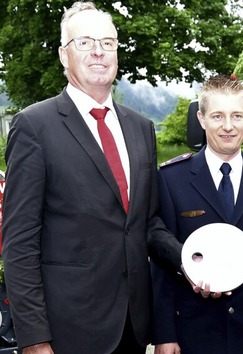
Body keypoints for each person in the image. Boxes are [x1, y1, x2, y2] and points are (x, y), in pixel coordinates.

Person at [1, 2, 184, 353]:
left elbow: (146, 225)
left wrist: (192, 260)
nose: (98, 52)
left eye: (108, 42)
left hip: (132, 329)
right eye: (84, 42)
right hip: (67, 331)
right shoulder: (34, 127)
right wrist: (35, 339)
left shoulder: (141, 128)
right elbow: (20, 245)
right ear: (63, 55)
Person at [150, 74, 243, 354]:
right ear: (201, 119)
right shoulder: (171, 179)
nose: (228, 126)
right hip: (193, 335)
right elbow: (161, 262)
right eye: (217, 116)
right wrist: (165, 335)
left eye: (237, 115)